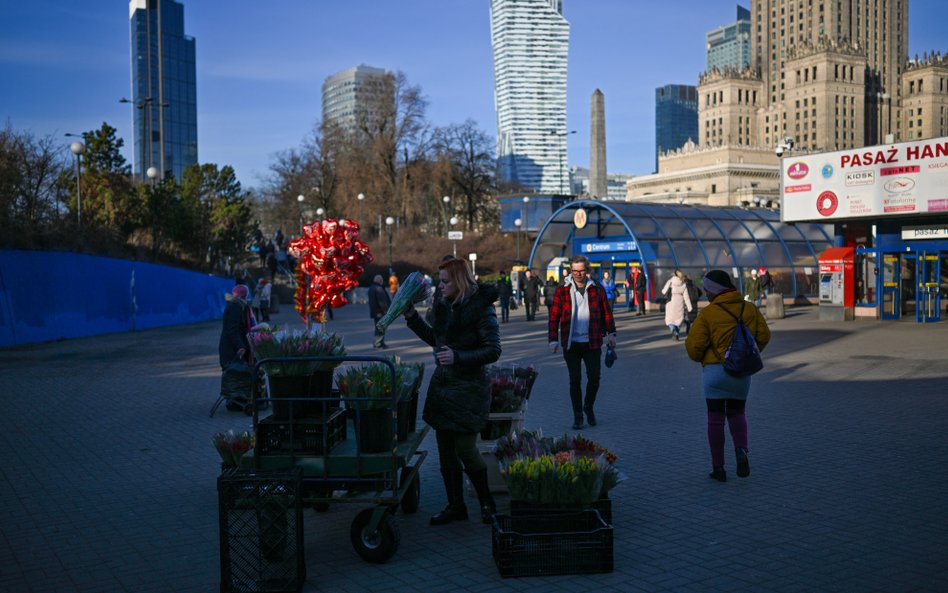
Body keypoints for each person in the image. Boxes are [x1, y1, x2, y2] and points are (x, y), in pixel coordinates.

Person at [403, 258, 501, 525]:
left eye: (445, 281)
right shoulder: (444, 306)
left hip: (469, 391)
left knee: (466, 449)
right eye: (440, 280)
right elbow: (436, 339)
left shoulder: (481, 308)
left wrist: (459, 357)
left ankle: (487, 503)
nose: (440, 285)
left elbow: (493, 350)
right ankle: (455, 506)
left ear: (458, 282)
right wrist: (412, 317)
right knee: (445, 451)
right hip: (444, 390)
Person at [685, 270, 771, 482]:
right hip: (741, 371)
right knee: (737, 413)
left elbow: (694, 349)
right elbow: (764, 336)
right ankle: (741, 450)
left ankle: (719, 468)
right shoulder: (748, 308)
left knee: (715, 420)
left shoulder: (708, 314)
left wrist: (708, 356)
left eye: (706, 289)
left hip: (714, 373)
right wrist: (745, 354)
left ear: (713, 290)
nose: (705, 293)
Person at [548, 255, 617, 430]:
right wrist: (553, 340)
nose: (578, 274)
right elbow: (553, 317)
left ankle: (588, 406)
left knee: (594, 378)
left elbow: (607, 313)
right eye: (575, 271)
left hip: (592, 341)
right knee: (575, 380)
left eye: (582, 270)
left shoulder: (597, 289)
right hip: (571, 343)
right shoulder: (562, 290)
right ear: (571, 270)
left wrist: (611, 333)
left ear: (587, 270)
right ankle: (578, 415)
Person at [218, 285, 255, 412]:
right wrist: (240, 346)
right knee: (236, 373)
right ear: (244, 295)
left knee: (238, 374)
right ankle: (235, 401)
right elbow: (232, 330)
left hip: (235, 346)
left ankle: (238, 400)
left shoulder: (239, 305)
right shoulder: (235, 306)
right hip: (231, 348)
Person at [661, 270, 693, 341]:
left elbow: (663, 291)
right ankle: (677, 334)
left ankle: (673, 330)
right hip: (680, 302)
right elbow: (686, 297)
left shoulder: (671, 281)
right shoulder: (683, 284)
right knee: (678, 320)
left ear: (675, 275)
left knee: (670, 319)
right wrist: (689, 307)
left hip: (671, 302)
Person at [367, 274, 392, 349]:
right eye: (381, 280)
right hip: (380, 312)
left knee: (379, 328)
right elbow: (382, 302)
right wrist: (387, 312)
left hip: (375, 312)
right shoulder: (378, 288)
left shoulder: (371, 288)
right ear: (380, 281)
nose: (382, 281)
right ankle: (378, 344)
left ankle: (380, 343)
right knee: (381, 328)